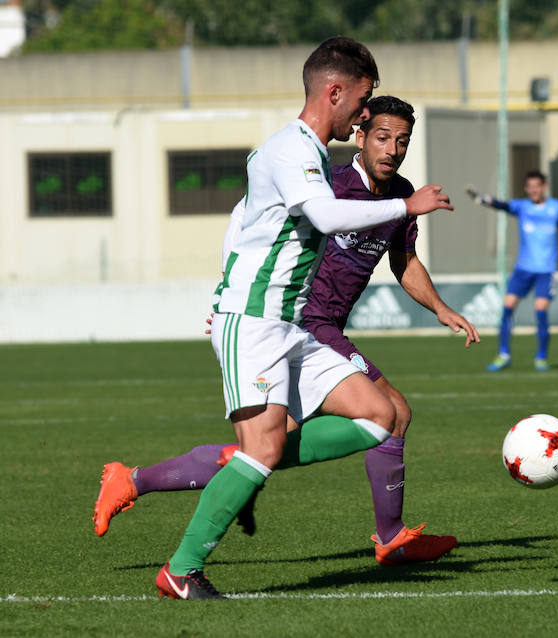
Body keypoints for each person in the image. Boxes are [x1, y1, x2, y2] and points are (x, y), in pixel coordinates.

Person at [93, 97, 478, 574]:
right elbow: (247, 216)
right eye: (382, 137)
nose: (392, 149)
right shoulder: (330, 181)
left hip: (321, 330)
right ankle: (391, 539)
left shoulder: (400, 192)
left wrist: (441, 308)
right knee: (391, 413)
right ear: (360, 136)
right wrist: (230, 295)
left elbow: (403, 261)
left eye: (402, 141)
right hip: (301, 322)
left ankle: (134, 480)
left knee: (263, 450)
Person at [150, 37, 453, 600]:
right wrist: (406, 206)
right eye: (362, 103)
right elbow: (322, 214)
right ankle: (182, 569)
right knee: (263, 449)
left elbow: (245, 218)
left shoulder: (308, 152)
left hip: (289, 326)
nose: (365, 114)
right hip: (257, 321)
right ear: (334, 92)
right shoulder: (290, 150)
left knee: (379, 416)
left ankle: (243, 470)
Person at [466, 171, 558, 372]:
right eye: (530, 186)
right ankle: (503, 354)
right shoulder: (522, 207)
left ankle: (541, 356)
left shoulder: (556, 208)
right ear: (526, 189)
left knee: (540, 310)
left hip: (545, 270)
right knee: (507, 307)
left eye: (537, 185)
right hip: (523, 268)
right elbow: (502, 205)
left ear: (544, 186)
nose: (533, 190)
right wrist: (482, 199)